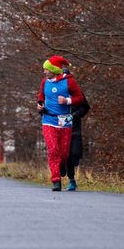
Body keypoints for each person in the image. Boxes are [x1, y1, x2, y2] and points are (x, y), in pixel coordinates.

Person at [37, 55, 84, 191]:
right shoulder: (44, 82)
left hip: (65, 121)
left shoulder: (69, 82)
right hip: (48, 120)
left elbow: (80, 98)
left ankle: (62, 164)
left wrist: (67, 101)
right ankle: (56, 180)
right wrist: (39, 105)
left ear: (54, 70)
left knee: (64, 154)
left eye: (46, 69)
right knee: (53, 150)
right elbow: (41, 97)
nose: (44, 72)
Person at [58, 67, 90, 191]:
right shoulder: (55, 91)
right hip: (60, 127)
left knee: (74, 154)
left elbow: (86, 107)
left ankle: (68, 169)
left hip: (74, 127)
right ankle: (71, 180)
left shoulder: (77, 92)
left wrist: (75, 115)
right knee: (64, 155)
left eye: (66, 78)